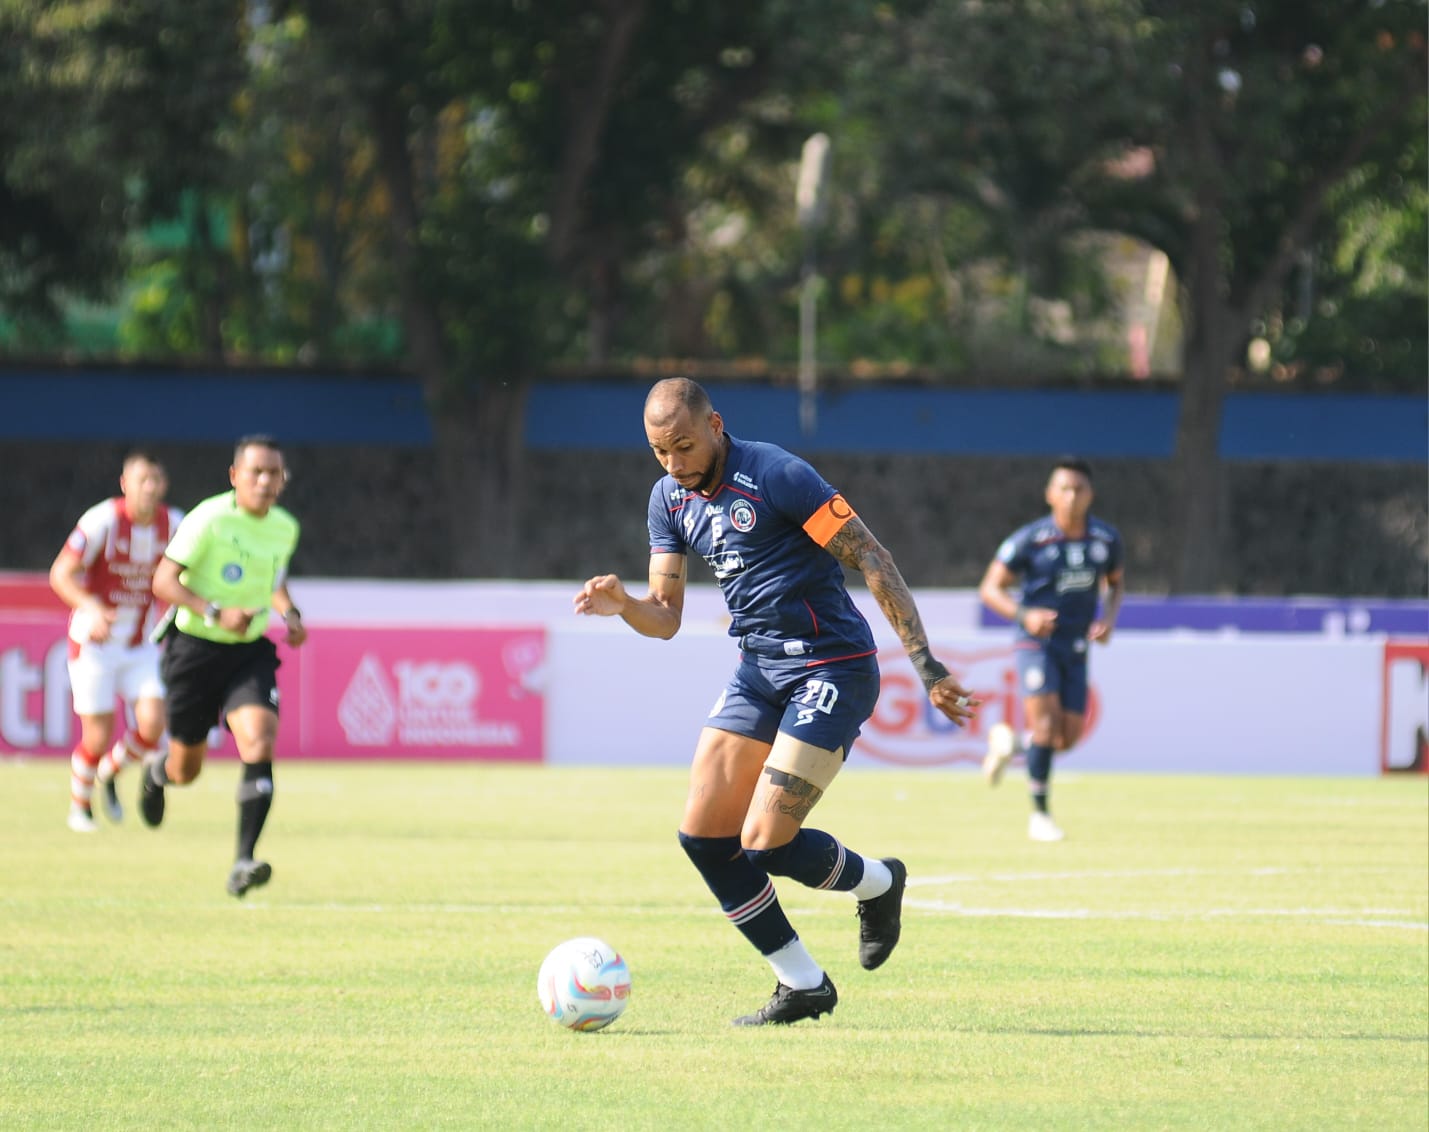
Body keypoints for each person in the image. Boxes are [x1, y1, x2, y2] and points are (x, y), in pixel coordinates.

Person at [574, 378, 979, 1026]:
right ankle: (802, 984)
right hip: (759, 672)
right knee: (704, 838)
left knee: (762, 842)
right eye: (659, 453)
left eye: (683, 446)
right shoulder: (667, 500)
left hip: (833, 668)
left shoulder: (776, 475)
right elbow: (666, 617)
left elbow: (871, 557)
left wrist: (927, 666)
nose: (674, 464)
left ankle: (878, 882)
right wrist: (624, 606)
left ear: (715, 425)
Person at [142, 435, 306, 898]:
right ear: (236, 476)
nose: (266, 481)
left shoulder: (285, 528)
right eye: (256, 472)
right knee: (185, 770)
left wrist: (289, 613)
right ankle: (158, 773)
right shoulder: (209, 519)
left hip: (247, 651)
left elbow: (273, 581)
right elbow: (163, 581)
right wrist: (214, 612)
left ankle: (243, 861)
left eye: (274, 473)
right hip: (193, 650)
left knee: (260, 737)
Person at [977, 458, 1124, 842]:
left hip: (1076, 644)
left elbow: (1116, 583)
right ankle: (1039, 817)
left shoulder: (1105, 540)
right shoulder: (1032, 539)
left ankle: (1009, 741)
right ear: (1050, 494)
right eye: (1064, 489)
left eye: (1079, 489)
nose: (1072, 496)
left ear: (1091, 495)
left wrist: (1107, 617)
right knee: (1044, 726)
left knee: (1067, 737)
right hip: (1036, 643)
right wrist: (1025, 615)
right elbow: (990, 589)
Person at [49, 451, 183, 833]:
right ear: (125, 484)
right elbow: (60, 574)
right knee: (98, 733)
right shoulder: (102, 520)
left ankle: (110, 772)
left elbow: (190, 573)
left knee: (154, 723)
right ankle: (80, 806)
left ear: (164, 485)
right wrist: (91, 607)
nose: (150, 488)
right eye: (142, 480)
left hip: (139, 646)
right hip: (94, 645)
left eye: (156, 480)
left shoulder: (175, 524)